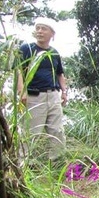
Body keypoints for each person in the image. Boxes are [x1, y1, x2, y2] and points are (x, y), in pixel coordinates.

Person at [16, 17, 68, 162]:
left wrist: (64, 92)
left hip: (53, 95)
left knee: (57, 131)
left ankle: (57, 163)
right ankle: (23, 166)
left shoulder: (54, 52)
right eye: (37, 28)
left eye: (43, 28)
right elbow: (18, 70)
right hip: (34, 96)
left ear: (52, 33)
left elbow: (59, 74)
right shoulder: (27, 49)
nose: (39, 31)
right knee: (31, 132)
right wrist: (22, 91)